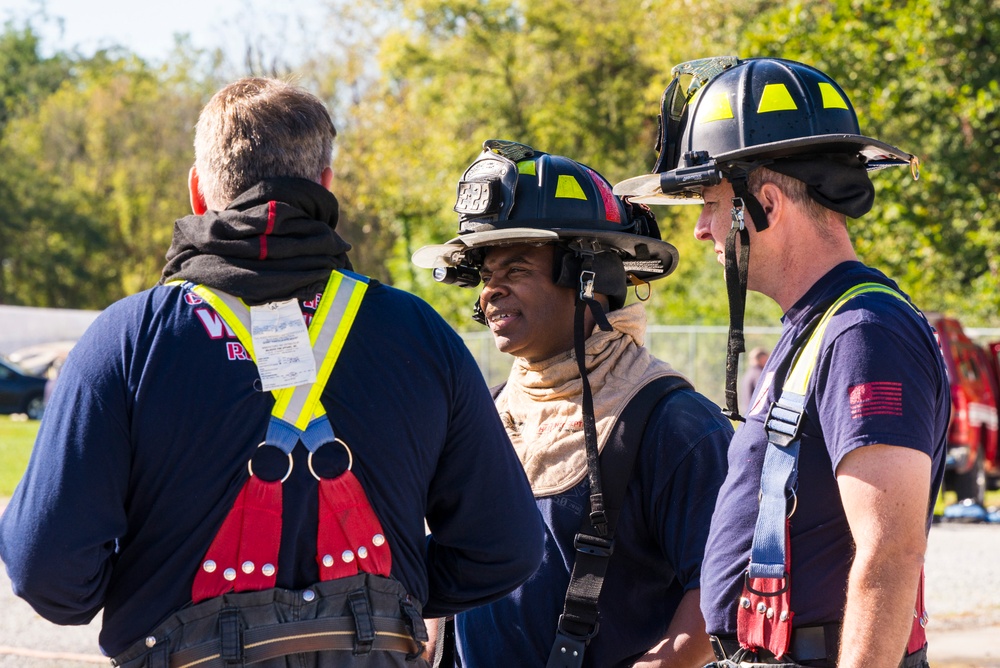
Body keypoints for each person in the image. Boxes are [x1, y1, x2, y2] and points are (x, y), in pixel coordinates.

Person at [0, 78, 544, 667]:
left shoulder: (127, 340)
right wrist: (394, 591)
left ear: (198, 191)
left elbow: (47, 572)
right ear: (326, 186)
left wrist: (154, 589)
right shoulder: (420, 334)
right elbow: (506, 548)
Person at [614, 57, 949, 668]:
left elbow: (891, 550)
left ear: (764, 202)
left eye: (711, 204)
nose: (701, 231)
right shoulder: (821, 327)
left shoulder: (863, 331)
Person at [412, 140, 733, 667]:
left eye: (515, 270)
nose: (491, 292)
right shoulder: (487, 416)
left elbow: (723, 586)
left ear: (591, 279)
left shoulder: (672, 424)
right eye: (486, 276)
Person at [739, 347, 769, 415]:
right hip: (757, 414)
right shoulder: (759, 374)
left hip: (747, 413)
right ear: (762, 358)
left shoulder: (748, 374)